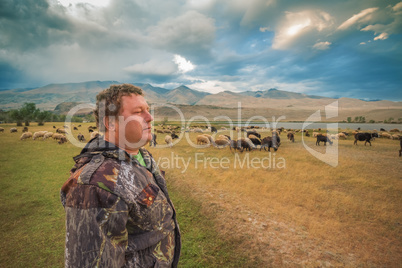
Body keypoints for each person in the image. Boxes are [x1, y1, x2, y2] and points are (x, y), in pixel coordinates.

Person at [60, 84, 181, 267]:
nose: (150, 117)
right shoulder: (94, 185)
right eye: (138, 112)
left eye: (147, 110)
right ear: (110, 123)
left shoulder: (142, 156)